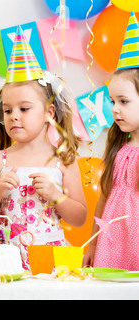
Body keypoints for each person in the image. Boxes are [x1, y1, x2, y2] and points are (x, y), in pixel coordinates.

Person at [0, 26, 87, 269]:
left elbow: (79, 218)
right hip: (5, 258)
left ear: (48, 113)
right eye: (7, 110)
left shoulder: (63, 160)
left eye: (24, 109)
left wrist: (56, 195)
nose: (14, 116)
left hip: (50, 258)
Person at [83, 13, 139, 270]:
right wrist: (93, 242)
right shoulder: (118, 148)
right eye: (112, 101)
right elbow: (105, 197)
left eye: (123, 101)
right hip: (112, 242)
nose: (115, 109)